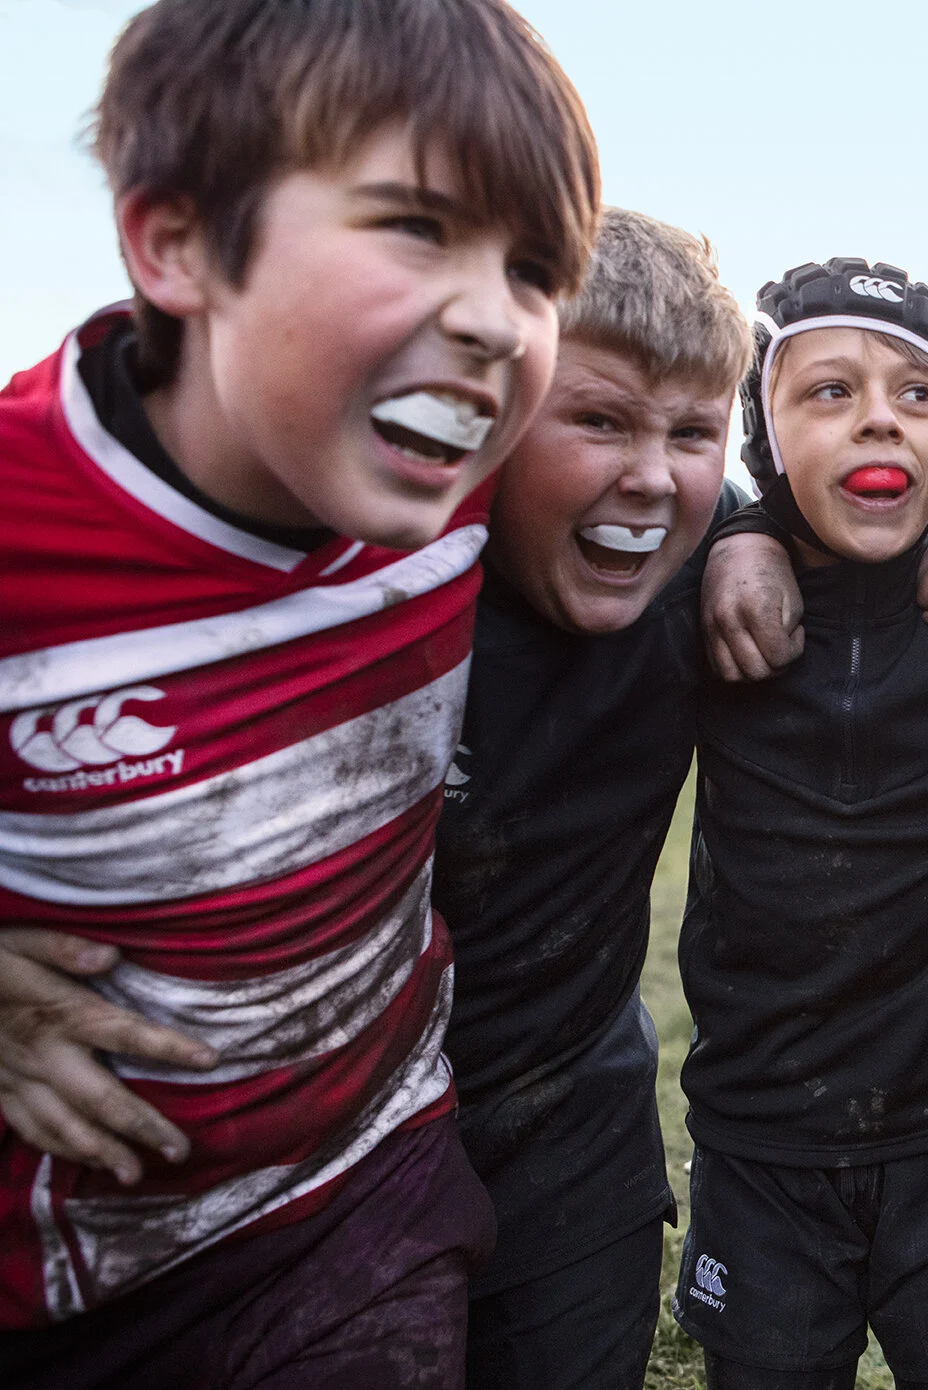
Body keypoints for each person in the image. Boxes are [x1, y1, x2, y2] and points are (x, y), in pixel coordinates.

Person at [0, 0, 598, 1384]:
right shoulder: (25, 524)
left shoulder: (467, 483)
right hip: (57, 1278)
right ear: (175, 242)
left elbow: (664, 466)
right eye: (416, 226)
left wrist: (751, 543)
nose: (492, 318)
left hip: (360, 1202)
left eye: (532, 269)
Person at [668, 258, 928, 1390]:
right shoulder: (705, 605)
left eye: (916, 394)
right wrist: (739, 536)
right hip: (760, 1137)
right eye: (830, 391)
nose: (880, 418)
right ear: (764, 427)